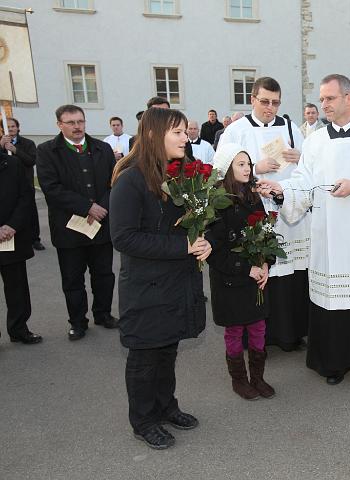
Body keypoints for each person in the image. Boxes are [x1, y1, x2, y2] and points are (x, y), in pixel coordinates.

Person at [256, 74, 350, 385]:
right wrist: (282, 191)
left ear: (348, 98)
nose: (323, 104)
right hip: (328, 233)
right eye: (321, 99)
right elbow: (304, 183)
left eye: (330, 98)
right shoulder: (315, 141)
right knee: (332, 297)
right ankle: (333, 362)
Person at [109, 107, 211, 450]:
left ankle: (167, 407)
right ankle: (143, 420)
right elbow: (123, 237)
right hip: (146, 286)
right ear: (154, 135)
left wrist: (201, 242)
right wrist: (183, 246)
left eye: (185, 132)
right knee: (144, 359)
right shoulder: (131, 179)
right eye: (178, 132)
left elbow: (188, 224)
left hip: (175, 282)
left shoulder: (178, 175)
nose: (186, 137)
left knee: (167, 351)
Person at [218, 76, 309, 352]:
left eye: (275, 102)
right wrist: (256, 167)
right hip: (252, 210)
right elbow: (220, 169)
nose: (270, 108)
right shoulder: (236, 131)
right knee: (260, 269)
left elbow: (309, 167)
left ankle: (290, 334)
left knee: (290, 273)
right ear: (252, 100)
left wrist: (300, 156)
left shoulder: (292, 128)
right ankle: (257, 337)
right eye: (265, 101)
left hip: (288, 211)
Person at [36, 105, 118, 341]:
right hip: (69, 228)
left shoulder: (102, 148)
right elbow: (51, 188)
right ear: (59, 124)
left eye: (80, 121)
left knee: (104, 275)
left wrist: (102, 207)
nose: (77, 127)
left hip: (101, 225)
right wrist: (87, 207)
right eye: (70, 122)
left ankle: (103, 314)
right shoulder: (47, 151)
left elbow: (114, 182)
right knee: (73, 279)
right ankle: (78, 321)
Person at [206, 144, 276, 400]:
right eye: (241, 164)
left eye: (248, 163)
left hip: (256, 276)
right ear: (227, 169)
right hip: (231, 278)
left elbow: (266, 233)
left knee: (258, 327)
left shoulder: (253, 195)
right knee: (235, 330)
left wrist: (267, 262)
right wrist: (247, 269)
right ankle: (239, 380)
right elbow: (215, 250)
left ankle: (258, 377)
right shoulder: (217, 202)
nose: (248, 169)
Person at [0, 150, 42, 344]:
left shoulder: (12, 164)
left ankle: (19, 329)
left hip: (11, 235)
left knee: (17, 287)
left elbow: (26, 196)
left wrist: (12, 225)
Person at [1, 116, 44, 251]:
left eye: (13, 126)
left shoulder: (28, 143)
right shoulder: (1, 143)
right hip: (6, 187)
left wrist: (15, 150)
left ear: (18, 128)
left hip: (25, 184)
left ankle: (35, 239)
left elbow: (31, 160)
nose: (11, 129)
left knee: (30, 212)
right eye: (7, 127)